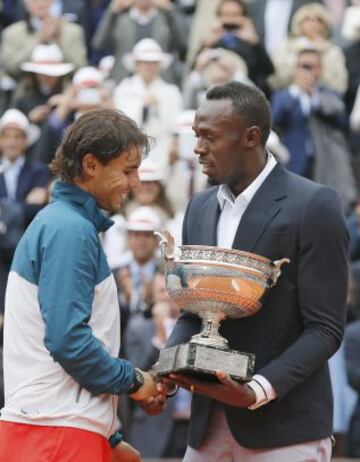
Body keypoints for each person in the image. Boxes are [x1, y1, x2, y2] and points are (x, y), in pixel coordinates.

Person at [161, 81, 349, 461]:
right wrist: (165, 367)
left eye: (209, 137)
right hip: (205, 431)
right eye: (197, 136)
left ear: (251, 137)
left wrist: (257, 390)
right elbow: (192, 311)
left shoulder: (314, 204)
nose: (197, 148)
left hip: (283, 431)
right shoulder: (198, 207)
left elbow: (325, 329)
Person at [0, 108, 166, 462]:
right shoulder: (70, 230)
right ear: (91, 166)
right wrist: (134, 381)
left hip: (58, 428)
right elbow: (68, 341)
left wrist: (109, 434)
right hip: (54, 433)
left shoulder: (68, 225)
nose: (135, 183)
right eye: (127, 170)